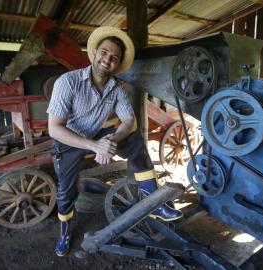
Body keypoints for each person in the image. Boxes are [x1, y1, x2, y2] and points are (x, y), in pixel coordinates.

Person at [47, 26, 183, 257]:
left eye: (114, 58)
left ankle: (154, 201)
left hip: (96, 136)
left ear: (117, 64)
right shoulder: (68, 82)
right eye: (104, 52)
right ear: (94, 53)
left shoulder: (115, 89)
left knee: (134, 141)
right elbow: (54, 128)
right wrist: (94, 146)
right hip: (67, 141)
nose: (107, 59)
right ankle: (64, 232)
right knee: (66, 194)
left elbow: (129, 120)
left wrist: (110, 140)